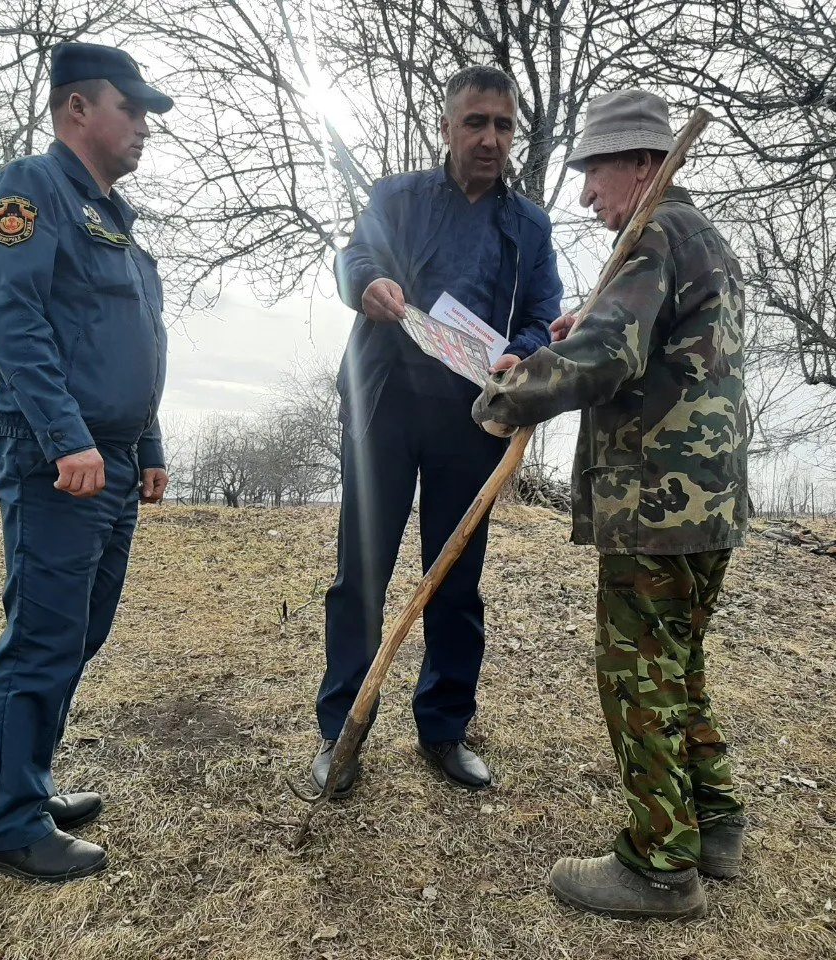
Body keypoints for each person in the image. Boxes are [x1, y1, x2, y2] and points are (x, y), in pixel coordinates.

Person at [471, 90, 749, 920]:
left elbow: (607, 357)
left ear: (642, 164)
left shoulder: (657, 233)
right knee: (677, 667)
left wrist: (508, 393)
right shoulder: (699, 237)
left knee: (637, 679)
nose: (588, 193)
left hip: (657, 503)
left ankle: (660, 867)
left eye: (596, 171)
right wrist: (588, 323)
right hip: (706, 501)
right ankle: (715, 822)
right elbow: (645, 343)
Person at [312, 65, 563, 794]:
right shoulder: (397, 197)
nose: (490, 138)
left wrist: (522, 351)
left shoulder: (530, 225)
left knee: (455, 579)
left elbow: (542, 312)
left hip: (473, 418)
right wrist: (366, 284)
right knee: (361, 576)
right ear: (447, 127)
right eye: (475, 122)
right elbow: (354, 256)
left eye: (504, 125)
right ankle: (341, 733)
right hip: (384, 407)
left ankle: (445, 728)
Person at [0, 41, 172, 883]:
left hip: (109, 457)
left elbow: (130, 342)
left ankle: (11, 789)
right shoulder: (31, 190)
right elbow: (13, 320)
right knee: (44, 637)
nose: (145, 126)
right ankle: (5, 825)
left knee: (79, 633)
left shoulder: (115, 217)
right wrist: (66, 437)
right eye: (132, 108)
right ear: (78, 108)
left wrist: (146, 445)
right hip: (58, 457)